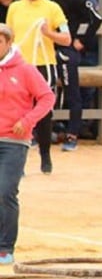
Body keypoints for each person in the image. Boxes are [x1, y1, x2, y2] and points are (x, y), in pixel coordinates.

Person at [6, 0, 70, 176]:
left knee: (43, 112)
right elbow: (8, 37)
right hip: (19, 65)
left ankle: (45, 156)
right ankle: (18, 161)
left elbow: (67, 39)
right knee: (17, 111)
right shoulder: (14, 8)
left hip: (44, 64)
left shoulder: (53, 8)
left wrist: (47, 32)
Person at [0, 23, 55, 266]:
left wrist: (28, 120)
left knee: (5, 191)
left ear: (8, 43)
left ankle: (5, 247)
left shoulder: (25, 70)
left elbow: (47, 97)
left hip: (14, 140)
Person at [45, 0, 101, 153]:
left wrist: (81, 41)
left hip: (67, 49)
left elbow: (97, 19)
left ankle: (72, 134)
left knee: (72, 92)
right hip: (45, 49)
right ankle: (43, 132)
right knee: (44, 91)